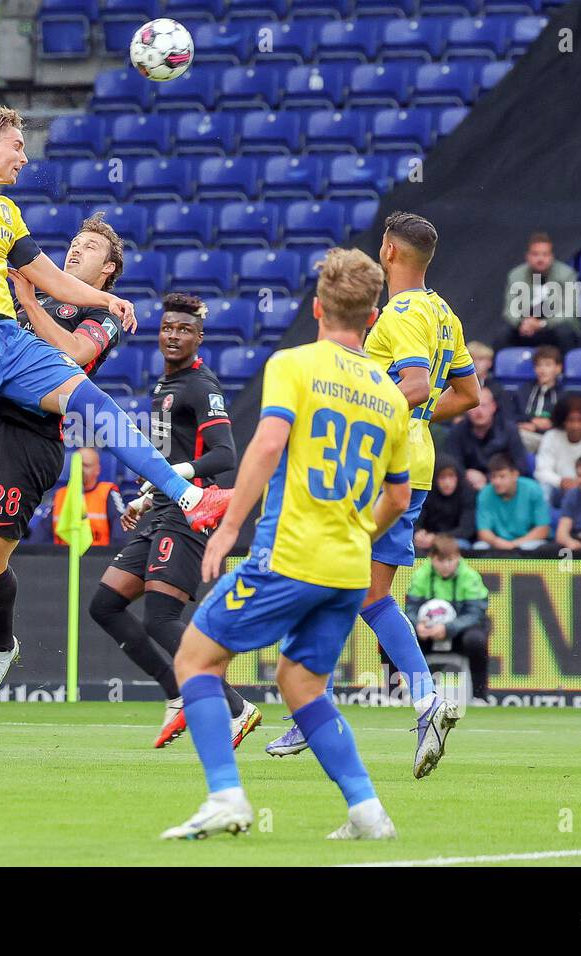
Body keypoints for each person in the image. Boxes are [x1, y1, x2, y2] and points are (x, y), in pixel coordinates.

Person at [0, 106, 230, 665]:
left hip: (9, 340)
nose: (25, 157)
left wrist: (106, 298)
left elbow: (47, 273)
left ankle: (189, 495)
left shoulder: (5, 211)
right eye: (18, 147)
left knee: (94, 402)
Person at [160, 246, 412, 842]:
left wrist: (226, 529)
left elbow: (268, 446)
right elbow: (398, 500)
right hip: (350, 568)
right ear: (372, 317)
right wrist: (354, 532)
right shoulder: (391, 396)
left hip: (291, 555)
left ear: (318, 308)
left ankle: (225, 796)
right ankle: (368, 812)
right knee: (301, 682)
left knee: (195, 658)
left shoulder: (296, 364)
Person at [265, 212, 479, 773]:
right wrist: (419, 418)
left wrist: (370, 411)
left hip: (378, 466)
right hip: (415, 460)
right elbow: (468, 394)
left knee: (320, 579)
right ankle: (427, 697)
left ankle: (312, 711)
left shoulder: (405, 311)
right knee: (368, 595)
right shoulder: (442, 311)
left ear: (387, 251)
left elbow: (411, 385)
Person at [0, 215, 126, 704]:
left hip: (30, 438)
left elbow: (74, 354)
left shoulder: (101, 316)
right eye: (75, 243)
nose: (75, 251)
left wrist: (24, 302)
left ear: (107, 272)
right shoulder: (34, 299)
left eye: (89, 249)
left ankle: (2, 644)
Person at [89, 293, 257, 750]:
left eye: (184, 330)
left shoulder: (202, 387)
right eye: (167, 328)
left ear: (199, 337)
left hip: (188, 514)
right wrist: (145, 496)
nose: (173, 335)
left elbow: (224, 456)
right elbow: (172, 456)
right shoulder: (164, 387)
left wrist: (175, 480)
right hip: (162, 509)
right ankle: (176, 691)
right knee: (104, 604)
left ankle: (236, 708)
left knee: (161, 618)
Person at [404, 535, 491, 700]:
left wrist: (448, 628)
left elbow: (475, 614)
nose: (446, 565)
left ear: (458, 557)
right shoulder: (421, 575)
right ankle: (394, 695)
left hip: (459, 634)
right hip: (427, 634)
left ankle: (480, 697)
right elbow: (411, 609)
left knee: (476, 640)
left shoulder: (470, 577)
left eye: (450, 560)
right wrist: (417, 625)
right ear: (431, 558)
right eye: (440, 560)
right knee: (399, 637)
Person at [500, 233, 581, 354]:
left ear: (552, 256)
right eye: (535, 254)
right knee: (502, 337)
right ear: (527, 256)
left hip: (554, 325)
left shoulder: (567, 274)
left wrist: (542, 324)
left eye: (545, 254)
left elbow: (569, 311)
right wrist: (522, 323)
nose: (540, 259)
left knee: (565, 333)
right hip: (525, 325)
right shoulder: (516, 275)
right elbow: (509, 310)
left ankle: (566, 371)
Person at [474, 453, 551, 551]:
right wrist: (497, 542)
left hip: (526, 542)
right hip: (498, 542)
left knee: (540, 548)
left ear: (515, 475)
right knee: (480, 547)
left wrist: (514, 544)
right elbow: (483, 531)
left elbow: (543, 529)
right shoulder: (485, 494)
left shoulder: (533, 489)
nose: (497, 482)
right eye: (493, 477)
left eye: (502, 476)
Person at [50, 449, 124, 545]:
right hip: (63, 556)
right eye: (77, 465)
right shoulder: (60, 495)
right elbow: (41, 535)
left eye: (86, 465)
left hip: (98, 555)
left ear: (97, 470)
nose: (80, 469)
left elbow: (119, 533)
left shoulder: (107, 492)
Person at [415, 456, 476, 549]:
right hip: (426, 541)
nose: (447, 482)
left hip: (456, 540)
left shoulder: (467, 493)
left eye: (451, 476)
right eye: (442, 477)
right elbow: (415, 520)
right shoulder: (426, 494)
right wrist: (418, 533)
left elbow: (467, 529)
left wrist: (436, 538)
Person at [514, 345, 563, 453]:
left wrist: (538, 427)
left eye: (547, 365)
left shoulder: (564, 394)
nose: (542, 370)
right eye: (538, 365)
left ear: (558, 368)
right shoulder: (524, 390)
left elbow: (563, 421)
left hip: (553, 439)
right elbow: (513, 415)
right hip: (527, 436)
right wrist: (531, 421)